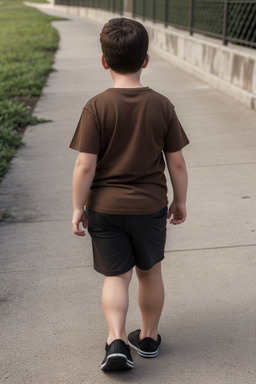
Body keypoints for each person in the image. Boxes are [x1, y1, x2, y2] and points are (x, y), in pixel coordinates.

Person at [70, 17, 189, 372]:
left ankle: (117, 340)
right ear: (146, 59)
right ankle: (149, 338)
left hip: (106, 208)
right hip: (150, 207)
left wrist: (78, 206)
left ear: (104, 60)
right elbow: (177, 164)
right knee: (150, 272)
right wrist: (179, 201)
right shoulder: (162, 105)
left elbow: (84, 167)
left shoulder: (96, 106)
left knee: (116, 277)